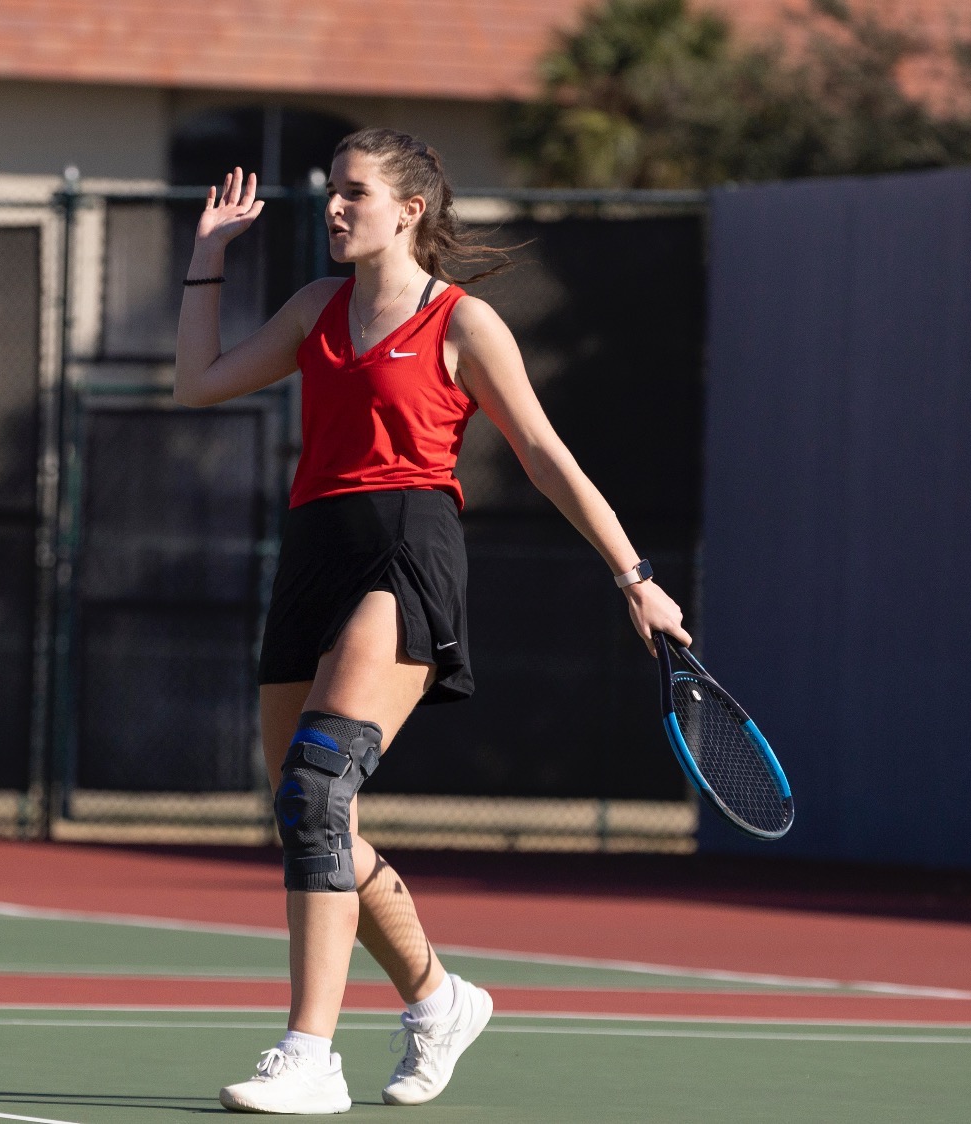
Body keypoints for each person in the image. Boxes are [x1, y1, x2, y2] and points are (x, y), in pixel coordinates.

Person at [175, 129, 690, 1112]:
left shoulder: (463, 322)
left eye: (353, 192)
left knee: (319, 783)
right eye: (330, 190)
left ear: (408, 209)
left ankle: (309, 1053)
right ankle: (439, 999)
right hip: (313, 551)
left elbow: (543, 454)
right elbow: (195, 383)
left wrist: (634, 575)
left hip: (407, 549)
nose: (333, 207)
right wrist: (208, 257)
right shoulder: (313, 308)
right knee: (306, 812)